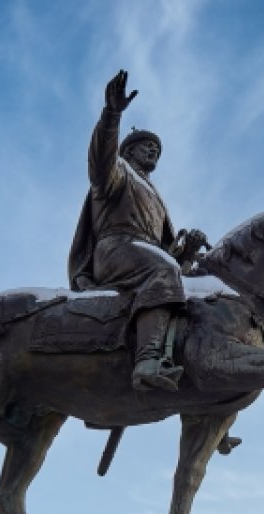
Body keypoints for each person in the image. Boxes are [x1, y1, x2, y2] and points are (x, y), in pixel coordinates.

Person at [68, 70, 208, 392]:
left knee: (190, 287)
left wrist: (187, 250)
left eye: (156, 149)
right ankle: (147, 362)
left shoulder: (156, 196)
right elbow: (100, 158)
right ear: (127, 151)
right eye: (146, 146)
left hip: (144, 254)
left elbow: (168, 253)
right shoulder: (116, 174)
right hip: (115, 249)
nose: (152, 151)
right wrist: (112, 114)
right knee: (163, 269)